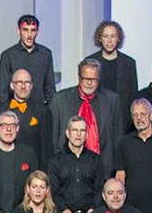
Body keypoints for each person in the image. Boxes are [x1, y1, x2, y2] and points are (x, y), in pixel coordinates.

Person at [51, 60, 126, 188]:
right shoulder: (60, 100)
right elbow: (53, 137)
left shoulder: (112, 100)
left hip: (103, 171)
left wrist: (120, 168)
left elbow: (118, 137)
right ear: (79, 77)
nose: (90, 83)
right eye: (86, 78)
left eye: (94, 79)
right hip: (67, 172)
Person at [0, 13, 57, 95]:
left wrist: (51, 107)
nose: (29, 35)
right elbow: (3, 90)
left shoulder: (45, 54)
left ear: (37, 31)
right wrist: (5, 107)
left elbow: (49, 87)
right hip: (14, 106)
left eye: (33, 30)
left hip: (39, 106)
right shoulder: (8, 55)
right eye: (25, 30)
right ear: (18, 31)